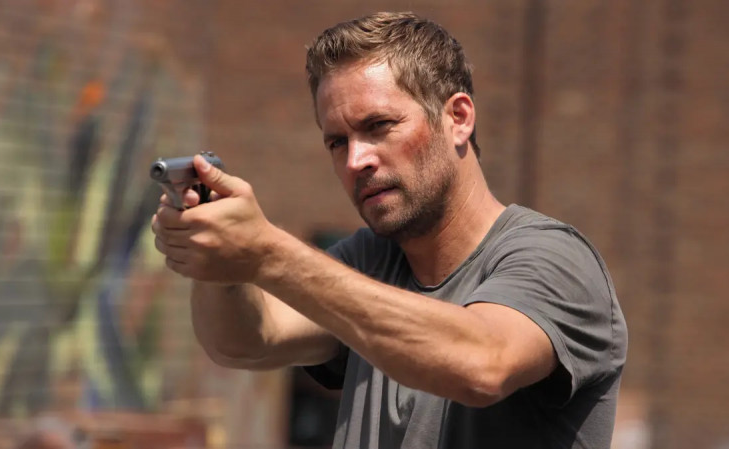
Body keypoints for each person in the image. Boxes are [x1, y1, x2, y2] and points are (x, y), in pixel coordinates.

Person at [151, 11, 627, 449]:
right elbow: (244, 342)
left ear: (458, 118)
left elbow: (483, 364)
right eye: (338, 142)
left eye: (379, 125)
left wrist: (268, 252)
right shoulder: (369, 259)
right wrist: (218, 263)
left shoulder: (555, 258)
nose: (356, 160)